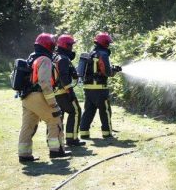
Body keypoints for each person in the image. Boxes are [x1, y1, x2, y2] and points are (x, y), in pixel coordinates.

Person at [18, 33, 70, 162]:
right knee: (55, 120)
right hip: (39, 96)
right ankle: (56, 151)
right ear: (49, 46)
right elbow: (45, 83)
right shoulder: (45, 60)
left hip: (26, 97)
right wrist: (52, 102)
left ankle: (24, 154)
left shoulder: (31, 58)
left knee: (28, 126)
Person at [78, 32, 122, 141]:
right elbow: (107, 72)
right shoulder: (103, 54)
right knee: (105, 111)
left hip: (88, 89)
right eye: (108, 43)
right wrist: (114, 70)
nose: (108, 45)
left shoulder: (90, 54)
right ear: (105, 43)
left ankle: (84, 133)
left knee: (88, 111)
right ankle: (107, 133)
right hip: (100, 89)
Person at [54, 34, 85, 147]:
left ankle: (56, 141)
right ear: (66, 46)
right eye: (71, 45)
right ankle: (72, 139)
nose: (72, 48)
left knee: (58, 117)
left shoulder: (55, 56)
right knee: (76, 111)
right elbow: (64, 77)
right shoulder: (63, 59)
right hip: (64, 92)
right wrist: (70, 92)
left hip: (55, 93)